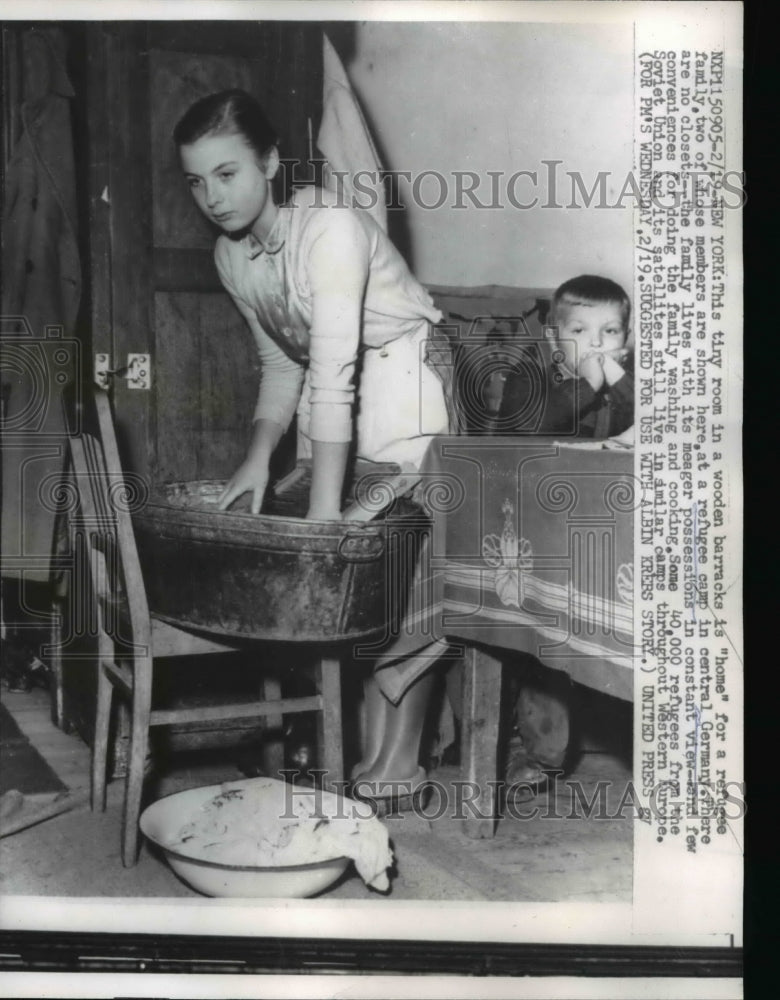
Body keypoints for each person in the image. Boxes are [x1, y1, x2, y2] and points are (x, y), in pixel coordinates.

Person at [173, 89, 449, 800]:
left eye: (227, 173)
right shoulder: (231, 258)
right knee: (326, 560)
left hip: (410, 380)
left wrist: (326, 523)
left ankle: (402, 758)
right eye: (196, 181)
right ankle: (354, 743)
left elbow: (335, 377)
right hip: (340, 399)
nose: (212, 196)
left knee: (384, 557)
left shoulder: (328, 226)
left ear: (269, 162)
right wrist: (257, 457)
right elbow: (282, 365)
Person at [494, 274, 634, 793]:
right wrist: (590, 385)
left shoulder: (627, 377)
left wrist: (618, 383)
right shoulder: (533, 375)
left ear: (628, 339)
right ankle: (534, 751)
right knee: (542, 644)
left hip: (607, 538)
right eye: (580, 330)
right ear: (554, 338)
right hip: (535, 536)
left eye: (610, 331)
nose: (597, 344)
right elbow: (528, 426)